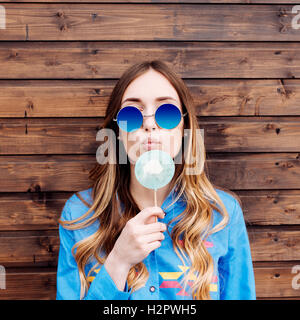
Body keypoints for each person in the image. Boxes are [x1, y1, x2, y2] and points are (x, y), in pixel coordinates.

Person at [56, 60, 256, 300]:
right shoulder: (79, 214)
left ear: (185, 126)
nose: (149, 125)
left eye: (167, 112)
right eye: (132, 114)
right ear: (117, 131)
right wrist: (119, 261)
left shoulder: (223, 214)